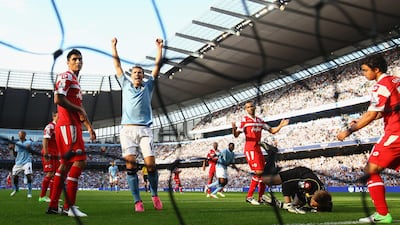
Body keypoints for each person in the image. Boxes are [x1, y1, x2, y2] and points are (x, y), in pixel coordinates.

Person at [337, 54, 400, 224]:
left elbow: (372, 114)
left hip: (396, 132)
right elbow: (388, 110)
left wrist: (349, 131)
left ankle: (382, 214)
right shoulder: (396, 81)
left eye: (365, 70)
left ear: (376, 69)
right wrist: (361, 119)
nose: (364, 74)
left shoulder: (380, 86)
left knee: (370, 170)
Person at [111, 37, 164, 212]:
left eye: (140, 73)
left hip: (145, 130)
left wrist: (159, 49)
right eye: (135, 72)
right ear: (131, 74)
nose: (137, 75)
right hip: (127, 130)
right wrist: (114, 47)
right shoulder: (125, 84)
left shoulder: (148, 86)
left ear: (143, 76)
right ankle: (137, 201)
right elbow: (117, 66)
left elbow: (157, 68)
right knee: (130, 166)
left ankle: (155, 195)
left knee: (151, 165)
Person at [47, 49, 96, 217]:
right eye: (74, 59)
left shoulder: (75, 80)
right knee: (80, 162)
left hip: (69, 125)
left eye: (80, 59)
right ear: (68, 62)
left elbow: (80, 112)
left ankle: (53, 205)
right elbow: (58, 99)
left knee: (65, 165)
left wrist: (88, 126)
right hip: (69, 126)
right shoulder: (66, 76)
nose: (78, 62)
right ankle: (69, 207)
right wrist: (79, 108)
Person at [232, 101, 289, 205]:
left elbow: (272, 130)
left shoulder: (260, 121)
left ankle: (260, 197)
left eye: (251, 106)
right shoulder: (244, 120)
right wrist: (233, 129)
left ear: (255, 107)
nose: (250, 108)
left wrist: (280, 126)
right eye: (248, 107)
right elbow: (236, 135)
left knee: (264, 174)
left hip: (258, 148)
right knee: (259, 172)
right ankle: (249, 197)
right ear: (246, 110)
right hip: (250, 148)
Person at [261, 166, 332, 214]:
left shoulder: (323, 200)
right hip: (298, 173)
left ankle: (288, 205)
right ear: (314, 197)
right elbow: (287, 185)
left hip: (302, 190)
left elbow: (328, 207)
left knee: (296, 206)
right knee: (266, 180)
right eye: (314, 204)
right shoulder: (308, 185)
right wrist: (288, 204)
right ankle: (271, 155)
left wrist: (314, 209)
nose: (312, 205)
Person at [39, 111, 59, 203]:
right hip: (49, 152)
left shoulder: (59, 127)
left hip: (55, 153)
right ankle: (42, 196)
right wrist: (46, 152)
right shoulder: (50, 126)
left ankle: (52, 197)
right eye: (60, 114)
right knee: (50, 173)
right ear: (54, 116)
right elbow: (45, 139)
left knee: (55, 175)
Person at [10, 130, 33, 198]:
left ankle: (29, 192)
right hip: (18, 162)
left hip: (27, 161)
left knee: (28, 175)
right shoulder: (17, 143)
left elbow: (31, 151)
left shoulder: (29, 142)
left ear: (24, 135)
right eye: (19, 134)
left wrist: (29, 148)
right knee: (14, 177)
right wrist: (12, 149)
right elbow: (15, 154)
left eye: (21, 134)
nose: (20, 135)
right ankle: (16, 189)